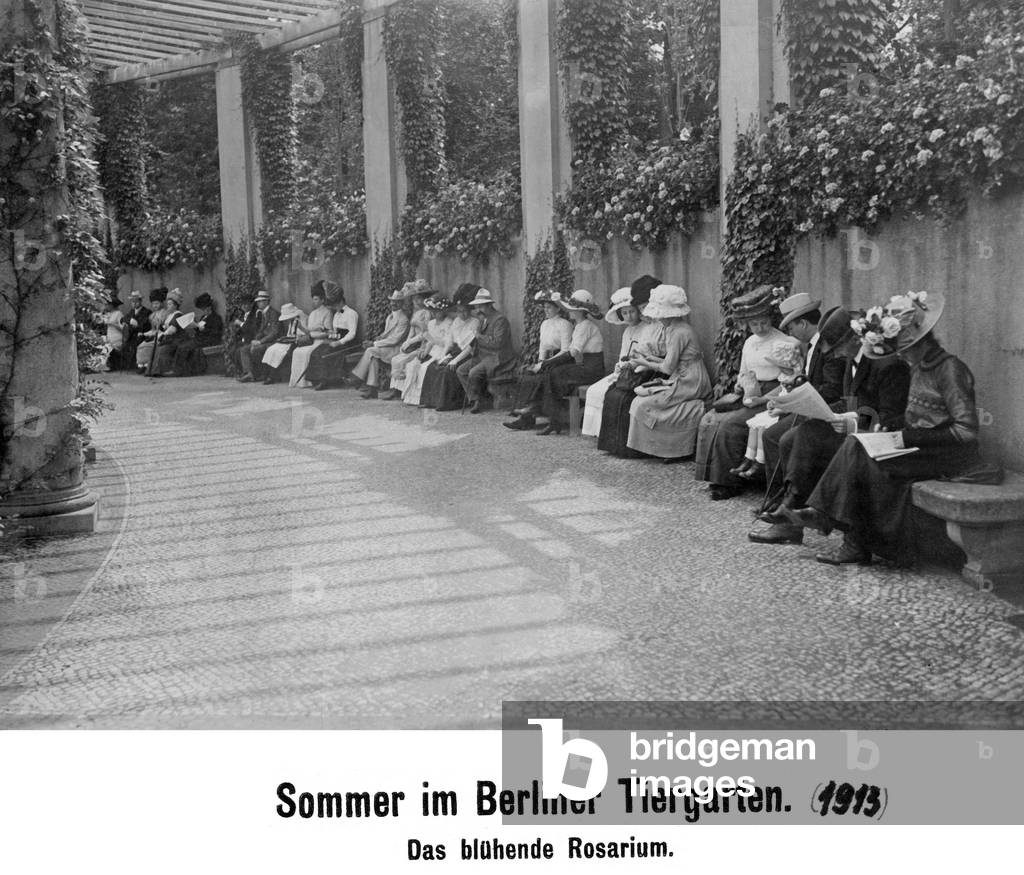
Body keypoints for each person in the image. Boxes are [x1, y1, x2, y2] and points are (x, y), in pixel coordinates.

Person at [781, 290, 979, 566]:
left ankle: (842, 532)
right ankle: (844, 534)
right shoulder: (919, 367)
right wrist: (892, 426)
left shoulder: (950, 369)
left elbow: (967, 432)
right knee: (857, 445)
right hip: (918, 445)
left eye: (907, 348)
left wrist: (906, 435)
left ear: (924, 343)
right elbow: (912, 416)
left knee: (865, 462)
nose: (903, 354)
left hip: (946, 455)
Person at [749, 311, 911, 546]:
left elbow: (890, 417)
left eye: (837, 346)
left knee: (806, 435)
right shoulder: (852, 361)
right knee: (792, 438)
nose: (835, 353)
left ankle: (792, 508)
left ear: (855, 340)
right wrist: (829, 412)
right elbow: (850, 400)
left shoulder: (886, 365)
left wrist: (852, 420)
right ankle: (791, 512)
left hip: (875, 436)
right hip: (854, 429)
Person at [624, 284, 712, 459]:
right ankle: (661, 447)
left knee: (644, 404)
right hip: (682, 374)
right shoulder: (672, 328)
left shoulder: (680, 332)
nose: (658, 318)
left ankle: (671, 448)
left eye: (660, 315)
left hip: (691, 379)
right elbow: (670, 361)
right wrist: (647, 357)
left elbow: (667, 367)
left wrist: (643, 362)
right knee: (639, 402)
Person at [583, 275, 660, 440]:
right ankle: (600, 434)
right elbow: (622, 355)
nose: (629, 316)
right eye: (624, 313)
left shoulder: (650, 327)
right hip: (627, 369)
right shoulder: (627, 332)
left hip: (643, 369)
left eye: (632, 311)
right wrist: (620, 367)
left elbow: (648, 354)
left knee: (614, 393)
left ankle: (617, 437)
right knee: (595, 390)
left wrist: (630, 365)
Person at [533, 289, 605, 435]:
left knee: (555, 372)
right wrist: (547, 363)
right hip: (585, 366)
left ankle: (556, 420)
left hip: (593, 369)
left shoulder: (585, 326)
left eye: (573, 309)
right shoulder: (580, 325)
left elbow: (573, 352)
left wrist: (547, 363)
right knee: (554, 373)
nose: (569, 311)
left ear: (581, 311)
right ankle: (555, 419)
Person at [732, 342, 805, 481]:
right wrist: (768, 400)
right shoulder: (784, 375)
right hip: (778, 406)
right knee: (754, 426)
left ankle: (759, 463)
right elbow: (780, 391)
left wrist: (778, 407)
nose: (780, 369)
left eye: (782, 366)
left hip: (787, 410)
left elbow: (792, 397)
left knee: (762, 430)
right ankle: (748, 459)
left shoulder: (797, 378)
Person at [503, 290, 572, 430]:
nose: (546, 310)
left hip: (561, 361)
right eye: (545, 307)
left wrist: (545, 364)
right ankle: (525, 417)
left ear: (558, 308)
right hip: (547, 360)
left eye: (549, 307)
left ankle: (531, 409)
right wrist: (540, 362)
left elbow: (566, 350)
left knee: (542, 377)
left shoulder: (565, 324)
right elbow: (542, 347)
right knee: (528, 374)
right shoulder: (544, 324)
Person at [421, 283, 481, 411]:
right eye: (459, 311)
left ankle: (449, 403)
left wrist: (455, 360)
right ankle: (432, 400)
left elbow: (470, 347)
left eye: (465, 311)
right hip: (455, 351)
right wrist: (444, 355)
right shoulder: (456, 321)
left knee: (448, 370)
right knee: (435, 366)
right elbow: (449, 340)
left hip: (467, 353)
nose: (462, 314)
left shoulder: (474, 322)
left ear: (469, 310)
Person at [456, 288, 517, 413]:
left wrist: (479, 336)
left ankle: (479, 401)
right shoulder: (483, 319)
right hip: (483, 355)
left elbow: (498, 343)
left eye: (481, 307)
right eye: (477, 307)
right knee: (461, 370)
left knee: (473, 372)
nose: (478, 310)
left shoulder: (500, 320)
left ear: (489, 305)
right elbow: (477, 339)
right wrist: (473, 344)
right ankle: (475, 399)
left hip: (498, 357)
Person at [350, 289, 410, 398]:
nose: (393, 303)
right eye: (392, 301)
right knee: (373, 357)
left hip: (396, 349)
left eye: (396, 301)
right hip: (386, 348)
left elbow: (395, 340)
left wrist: (374, 343)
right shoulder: (389, 317)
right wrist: (375, 340)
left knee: (370, 350)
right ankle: (372, 388)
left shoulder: (403, 319)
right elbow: (386, 334)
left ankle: (357, 378)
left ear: (401, 303)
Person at [381, 280, 433, 400]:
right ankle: (395, 388)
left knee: (401, 361)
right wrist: (406, 341)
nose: (415, 301)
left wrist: (411, 342)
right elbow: (412, 330)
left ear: (424, 299)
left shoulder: (427, 313)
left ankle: (399, 390)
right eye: (414, 298)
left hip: (423, 345)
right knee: (396, 358)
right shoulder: (416, 313)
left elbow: (424, 333)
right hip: (413, 343)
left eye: (418, 298)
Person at [402, 294, 454, 406]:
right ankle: (412, 398)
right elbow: (428, 341)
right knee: (412, 365)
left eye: (437, 311)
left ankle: (427, 399)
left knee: (425, 368)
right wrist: (425, 351)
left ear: (444, 310)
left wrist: (432, 340)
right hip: (431, 351)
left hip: (442, 351)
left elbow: (447, 343)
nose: (435, 313)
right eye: (432, 310)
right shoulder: (431, 323)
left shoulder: (449, 323)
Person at [306, 284, 361, 391]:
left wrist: (339, 342)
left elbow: (352, 333)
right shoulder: (336, 314)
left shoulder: (351, 313)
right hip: (337, 340)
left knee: (326, 354)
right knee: (317, 351)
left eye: (334, 305)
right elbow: (335, 332)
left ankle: (324, 381)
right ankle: (315, 379)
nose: (333, 308)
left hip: (348, 343)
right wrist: (329, 335)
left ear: (340, 302)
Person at [289, 283, 334, 388]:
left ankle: (313, 380)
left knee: (307, 353)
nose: (313, 302)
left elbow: (328, 332)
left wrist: (314, 335)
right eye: (313, 299)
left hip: (321, 341)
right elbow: (309, 332)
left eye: (316, 299)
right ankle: (299, 381)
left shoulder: (327, 313)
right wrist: (301, 328)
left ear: (322, 300)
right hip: (311, 340)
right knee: (297, 351)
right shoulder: (313, 313)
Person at [169, 292, 224, 376]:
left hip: (209, 340)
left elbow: (216, 333)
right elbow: (199, 329)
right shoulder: (203, 317)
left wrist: (204, 329)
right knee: (182, 344)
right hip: (200, 339)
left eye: (205, 309)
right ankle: (180, 369)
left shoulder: (216, 318)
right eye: (203, 309)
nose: (204, 311)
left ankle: (179, 371)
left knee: (185, 347)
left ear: (210, 307)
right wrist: (194, 326)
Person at [237, 290, 282, 383]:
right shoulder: (263, 313)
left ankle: (263, 373)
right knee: (244, 349)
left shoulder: (273, 313)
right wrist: (256, 339)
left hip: (273, 341)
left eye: (260, 301)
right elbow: (261, 330)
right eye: (257, 301)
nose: (258, 303)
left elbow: (274, 333)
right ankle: (249, 373)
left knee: (255, 350)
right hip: (264, 340)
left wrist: (260, 342)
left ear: (266, 301)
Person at [261, 303, 307, 384]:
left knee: (280, 352)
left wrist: (291, 338)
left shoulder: (302, 319)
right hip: (289, 341)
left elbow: (303, 334)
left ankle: (272, 376)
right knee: (272, 349)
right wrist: (284, 339)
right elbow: (290, 334)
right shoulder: (292, 321)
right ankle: (270, 375)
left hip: (298, 341)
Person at [150, 288, 187, 376]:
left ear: (176, 305)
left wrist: (163, 334)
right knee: (157, 346)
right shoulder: (170, 315)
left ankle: (162, 371)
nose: (168, 306)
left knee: (163, 349)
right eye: (168, 304)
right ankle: (154, 371)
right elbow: (165, 327)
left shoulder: (178, 314)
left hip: (177, 339)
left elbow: (172, 329)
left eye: (170, 304)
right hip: (170, 339)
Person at [135, 287, 168, 373]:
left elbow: (165, 328)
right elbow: (153, 330)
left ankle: (148, 366)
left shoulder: (165, 313)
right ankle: (141, 365)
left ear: (162, 303)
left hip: (162, 336)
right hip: (154, 335)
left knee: (147, 346)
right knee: (141, 345)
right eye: (153, 304)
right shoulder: (152, 316)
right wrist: (143, 333)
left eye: (157, 303)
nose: (155, 306)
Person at [121, 290, 150, 369]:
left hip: (141, 335)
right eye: (132, 302)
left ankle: (139, 366)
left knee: (136, 344)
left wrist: (137, 325)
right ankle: (128, 366)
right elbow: (123, 319)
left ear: (140, 301)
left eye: (136, 301)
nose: (134, 303)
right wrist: (129, 320)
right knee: (125, 345)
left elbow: (144, 325)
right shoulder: (131, 311)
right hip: (131, 335)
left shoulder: (146, 312)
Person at [97, 294, 124, 371]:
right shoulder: (109, 314)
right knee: (100, 343)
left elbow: (123, 328)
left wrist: (112, 324)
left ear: (112, 305)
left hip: (117, 338)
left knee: (107, 346)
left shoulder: (119, 314)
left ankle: (106, 366)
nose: (106, 306)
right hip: (110, 337)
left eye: (107, 305)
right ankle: (98, 365)